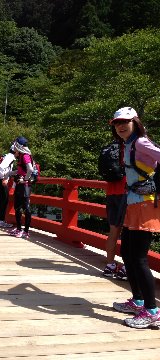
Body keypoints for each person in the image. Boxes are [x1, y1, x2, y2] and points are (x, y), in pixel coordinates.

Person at [109, 107, 160, 329]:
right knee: (127, 253)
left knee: (138, 258)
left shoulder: (140, 142)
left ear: (134, 122)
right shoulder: (128, 143)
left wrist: (155, 181)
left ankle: (152, 312)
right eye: (117, 123)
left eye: (125, 122)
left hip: (146, 204)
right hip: (134, 204)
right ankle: (138, 301)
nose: (120, 126)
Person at [103, 173, 128, 280]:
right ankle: (126, 268)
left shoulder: (110, 154)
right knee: (128, 230)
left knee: (113, 230)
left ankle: (110, 265)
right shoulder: (129, 155)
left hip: (110, 192)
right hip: (126, 192)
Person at [8, 136, 33, 239]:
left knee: (24, 208)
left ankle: (25, 231)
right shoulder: (22, 155)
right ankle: (19, 229)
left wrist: (25, 179)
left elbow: (30, 169)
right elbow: (21, 170)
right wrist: (11, 173)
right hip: (21, 184)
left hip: (24, 185)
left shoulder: (25, 155)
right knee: (18, 207)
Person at [0, 144, 16, 228]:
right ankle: (1, 220)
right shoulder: (10, 157)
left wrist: (16, 172)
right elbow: (2, 167)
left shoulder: (7, 156)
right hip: (0, 180)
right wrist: (3, 179)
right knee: (4, 199)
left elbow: (7, 171)